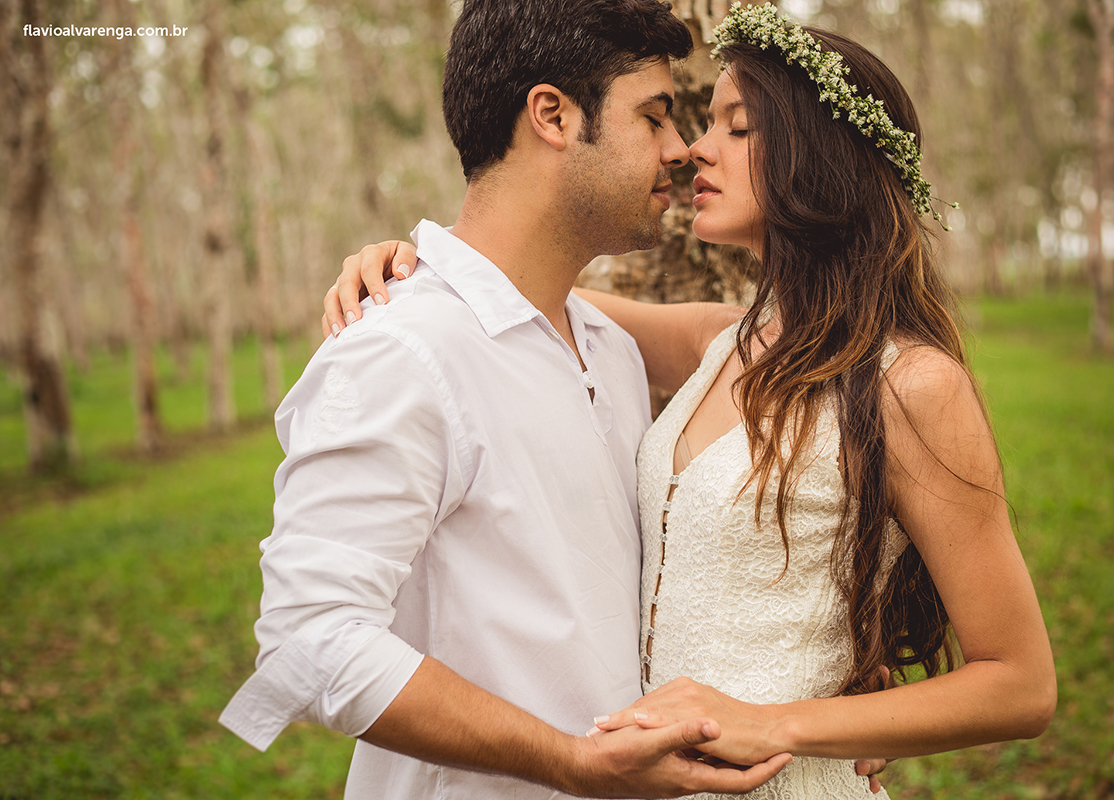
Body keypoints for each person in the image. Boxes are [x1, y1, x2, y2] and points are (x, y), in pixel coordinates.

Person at [324, 4, 1057, 798]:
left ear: (821, 158)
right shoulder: (717, 342)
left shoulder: (910, 383)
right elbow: (514, 287)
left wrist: (784, 723)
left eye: (737, 128)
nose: (696, 149)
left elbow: (1020, 684)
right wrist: (409, 264)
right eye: (701, 123)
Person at [219, 2, 798, 798]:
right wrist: (572, 763)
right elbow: (309, 642)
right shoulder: (399, 352)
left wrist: (815, 688)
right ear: (552, 115)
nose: (678, 148)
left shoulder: (609, 349)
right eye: (654, 116)